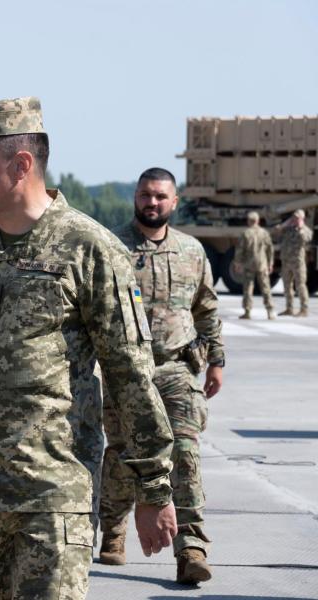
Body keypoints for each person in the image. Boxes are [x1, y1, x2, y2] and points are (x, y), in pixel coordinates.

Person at [0, 97, 177, 600]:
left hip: (53, 499)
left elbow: (132, 375)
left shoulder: (89, 248)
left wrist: (153, 487)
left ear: (21, 165)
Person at [98, 167, 225, 584]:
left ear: (175, 201)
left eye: (160, 197)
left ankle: (190, 546)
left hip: (175, 368)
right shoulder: (111, 246)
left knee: (184, 451)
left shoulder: (192, 251)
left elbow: (206, 308)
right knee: (122, 452)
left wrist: (216, 360)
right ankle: (113, 529)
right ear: (135, 197)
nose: (152, 203)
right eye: (145, 195)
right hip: (125, 371)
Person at [234, 211, 275, 320]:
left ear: (249, 221)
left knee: (248, 288)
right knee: (266, 288)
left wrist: (238, 263)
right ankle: (270, 311)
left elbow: (240, 250)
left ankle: (247, 311)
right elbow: (270, 249)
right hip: (262, 264)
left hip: (249, 265)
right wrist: (270, 263)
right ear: (258, 221)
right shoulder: (264, 233)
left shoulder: (246, 233)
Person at [276, 209, 313, 317]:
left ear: (302, 219)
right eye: (294, 217)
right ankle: (289, 308)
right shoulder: (289, 229)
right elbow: (276, 231)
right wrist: (285, 224)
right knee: (287, 286)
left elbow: (306, 239)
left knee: (300, 286)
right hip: (286, 262)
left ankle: (304, 309)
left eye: (297, 218)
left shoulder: (306, 230)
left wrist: (301, 227)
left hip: (298, 263)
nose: (295, 219)